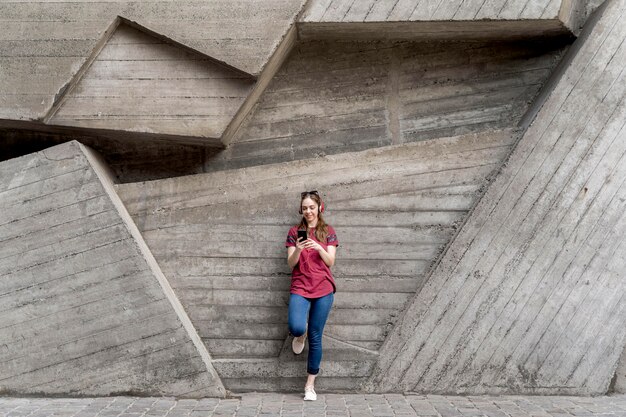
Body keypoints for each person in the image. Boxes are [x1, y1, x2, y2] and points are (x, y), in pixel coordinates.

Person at [285, 190, 339, 401]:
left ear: (319, 208)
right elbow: (291, 264)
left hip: (323, 288)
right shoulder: (294, 231)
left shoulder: (329, 231)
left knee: (316, 336)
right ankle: (300, 335)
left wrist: (318, 247)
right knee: (297, 326)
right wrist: (298, 249)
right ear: (301, 209)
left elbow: (330, 262)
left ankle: (309, 385)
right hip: (300, 286)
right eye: (305, 207)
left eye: (312, 207)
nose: (308, 211)